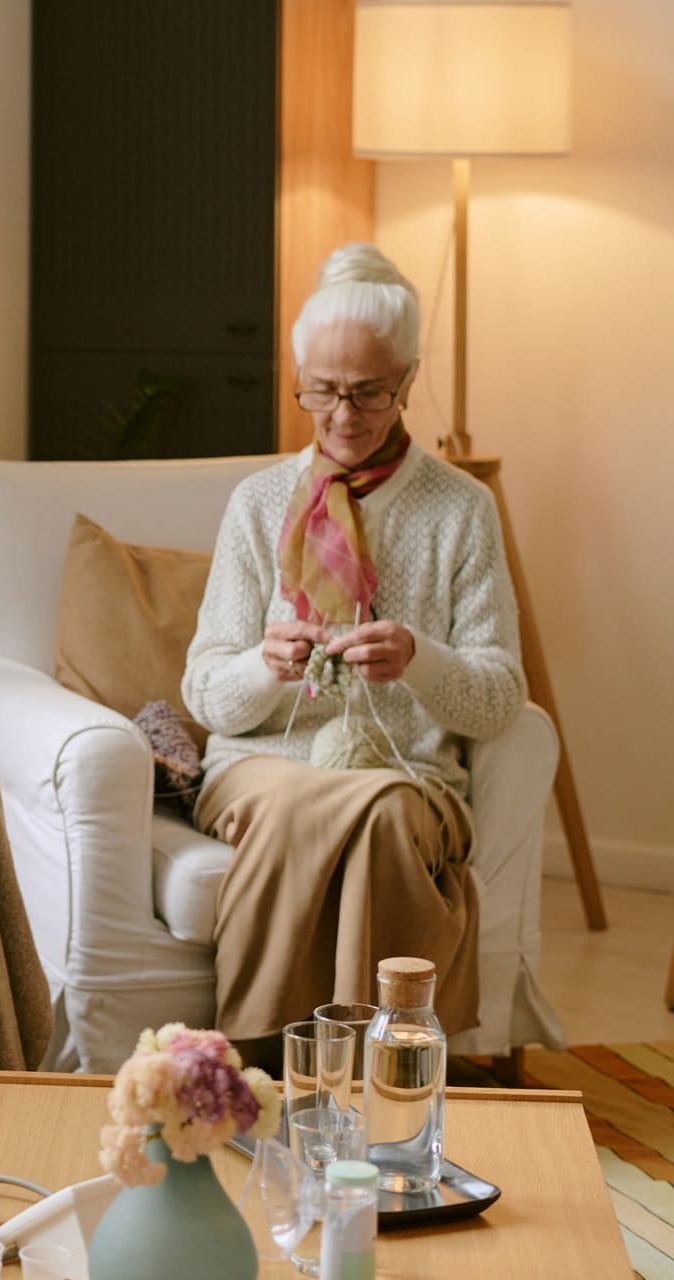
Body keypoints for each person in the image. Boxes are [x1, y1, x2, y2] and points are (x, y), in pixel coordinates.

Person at [181, 243, 527, 1048]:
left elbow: (502, 694)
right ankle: (327, 1059)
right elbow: (204, 690)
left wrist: (421, 659)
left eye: (368, 394)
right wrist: (265, 667)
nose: (341, 416)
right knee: (332, 806)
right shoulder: (259, 501)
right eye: (322, 392)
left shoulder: (460, 509)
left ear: (407, 381)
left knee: (380, 812)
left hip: (405, 775)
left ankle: (323, 1058)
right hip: (261, 769)